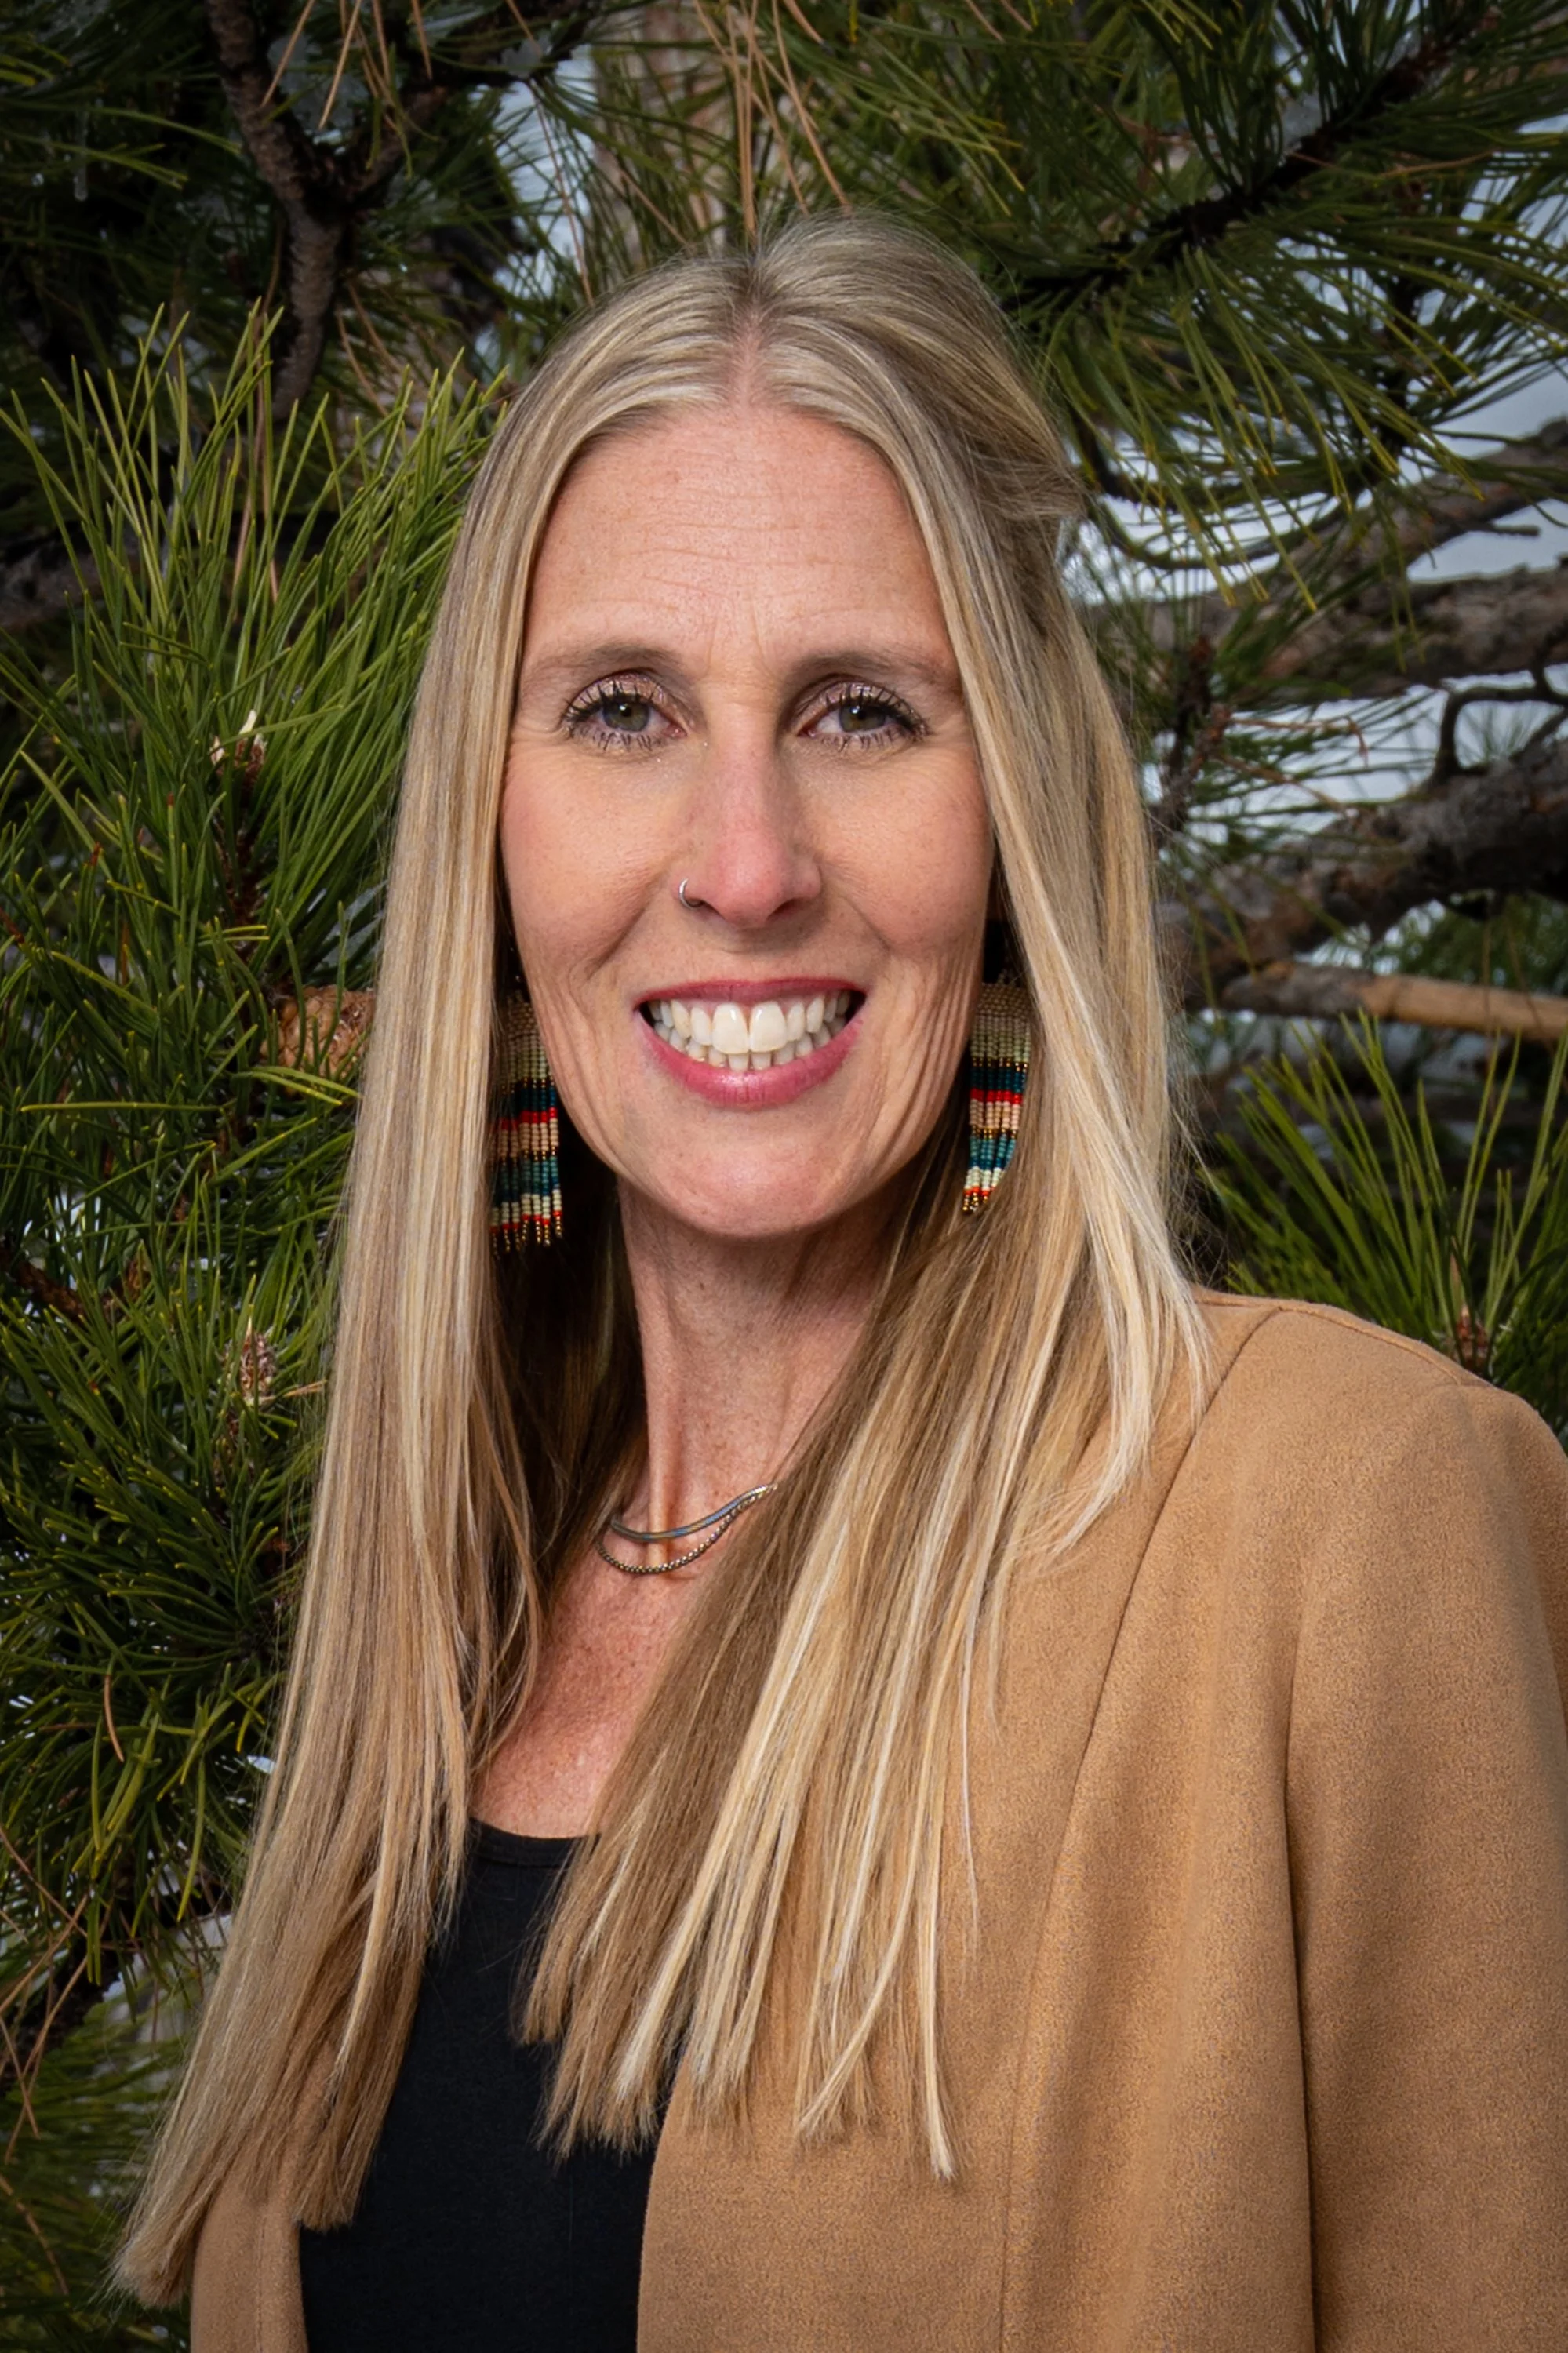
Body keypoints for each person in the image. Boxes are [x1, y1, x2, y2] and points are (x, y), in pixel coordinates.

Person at [118, 216, 1568, 2351]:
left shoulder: (1336, 1521)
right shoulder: (428, 1628)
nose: (743, 858)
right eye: (620, 708)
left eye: (861, 711)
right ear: (489, 831)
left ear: (1011, 827)